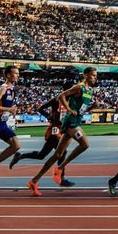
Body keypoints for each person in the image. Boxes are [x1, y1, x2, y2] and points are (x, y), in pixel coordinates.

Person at [27, 66, 96, 194]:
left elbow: (81, 110)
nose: (94, 78)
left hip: (76, 121)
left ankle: (34, 181)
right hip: (70, 122)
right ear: (85, 75)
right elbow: (61, 96)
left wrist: (91, 107)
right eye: (92, 75)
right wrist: (68, 109)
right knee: (85, 144)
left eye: (96, 76)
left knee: (57, 155)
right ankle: (60, 168)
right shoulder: (78, 87)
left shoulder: (89, 90)